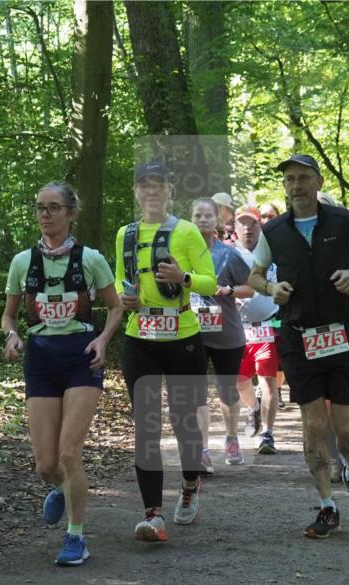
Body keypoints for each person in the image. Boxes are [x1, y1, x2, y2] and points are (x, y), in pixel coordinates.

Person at [249, 154, 349, 539]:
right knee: (312, 425)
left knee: (344, 428)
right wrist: (272, 288)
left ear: (319, 182)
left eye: (303, 178)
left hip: (339, 334)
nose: (296, 185)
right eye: (290, 179)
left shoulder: (343, 222)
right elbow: (255, 276)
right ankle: (327, 505)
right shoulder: (272, 230)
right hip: (297, 335)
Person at [3, 181, 124, 566]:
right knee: (46, 464)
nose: (45, 214)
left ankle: (76, 538)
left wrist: (103, 340)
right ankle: (62, 489)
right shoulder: (22, 262)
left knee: (69, 453)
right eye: (40, 207)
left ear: (71, 214)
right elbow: (9, 313)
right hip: (40, 358)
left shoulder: (91, 259)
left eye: (54, 208)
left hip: (79, 357)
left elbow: (116, 307)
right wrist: (11, 335)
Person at [116, 161, 217, 542]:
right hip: (139, 335)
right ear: (136, 192)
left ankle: (190, 484)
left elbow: (210, 283)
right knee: (146, 425)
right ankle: (152, 513)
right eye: (145, 185)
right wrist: (124, 297)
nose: (152, 191)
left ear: (171, 192)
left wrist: (183, 278)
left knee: (183, 420)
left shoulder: (188, 232)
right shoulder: (125, 233)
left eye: (159, 185)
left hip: (183, 336)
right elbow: (117, 277)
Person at [189, 197, 253, 471]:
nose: (203, 220)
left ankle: (231, 437)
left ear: (217, 220)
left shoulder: (228, 254)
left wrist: (228, 291)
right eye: (197, 215)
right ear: (190, 220)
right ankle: (202, 449)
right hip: (192, 334)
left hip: (227, 333)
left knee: (227, 392)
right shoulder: (180, 253)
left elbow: (250, 288)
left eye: (207, 215)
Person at [235, 206, 281, 455]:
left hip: (266, 328)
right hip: (238, 330)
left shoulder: (272, 253)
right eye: (242, 224)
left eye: (252, 223)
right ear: (234, 228)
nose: (247, 228)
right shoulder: (230, 256)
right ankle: (253, 408)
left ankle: (267, 433)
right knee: (240, 383)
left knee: (268, 381)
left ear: (260, 226)